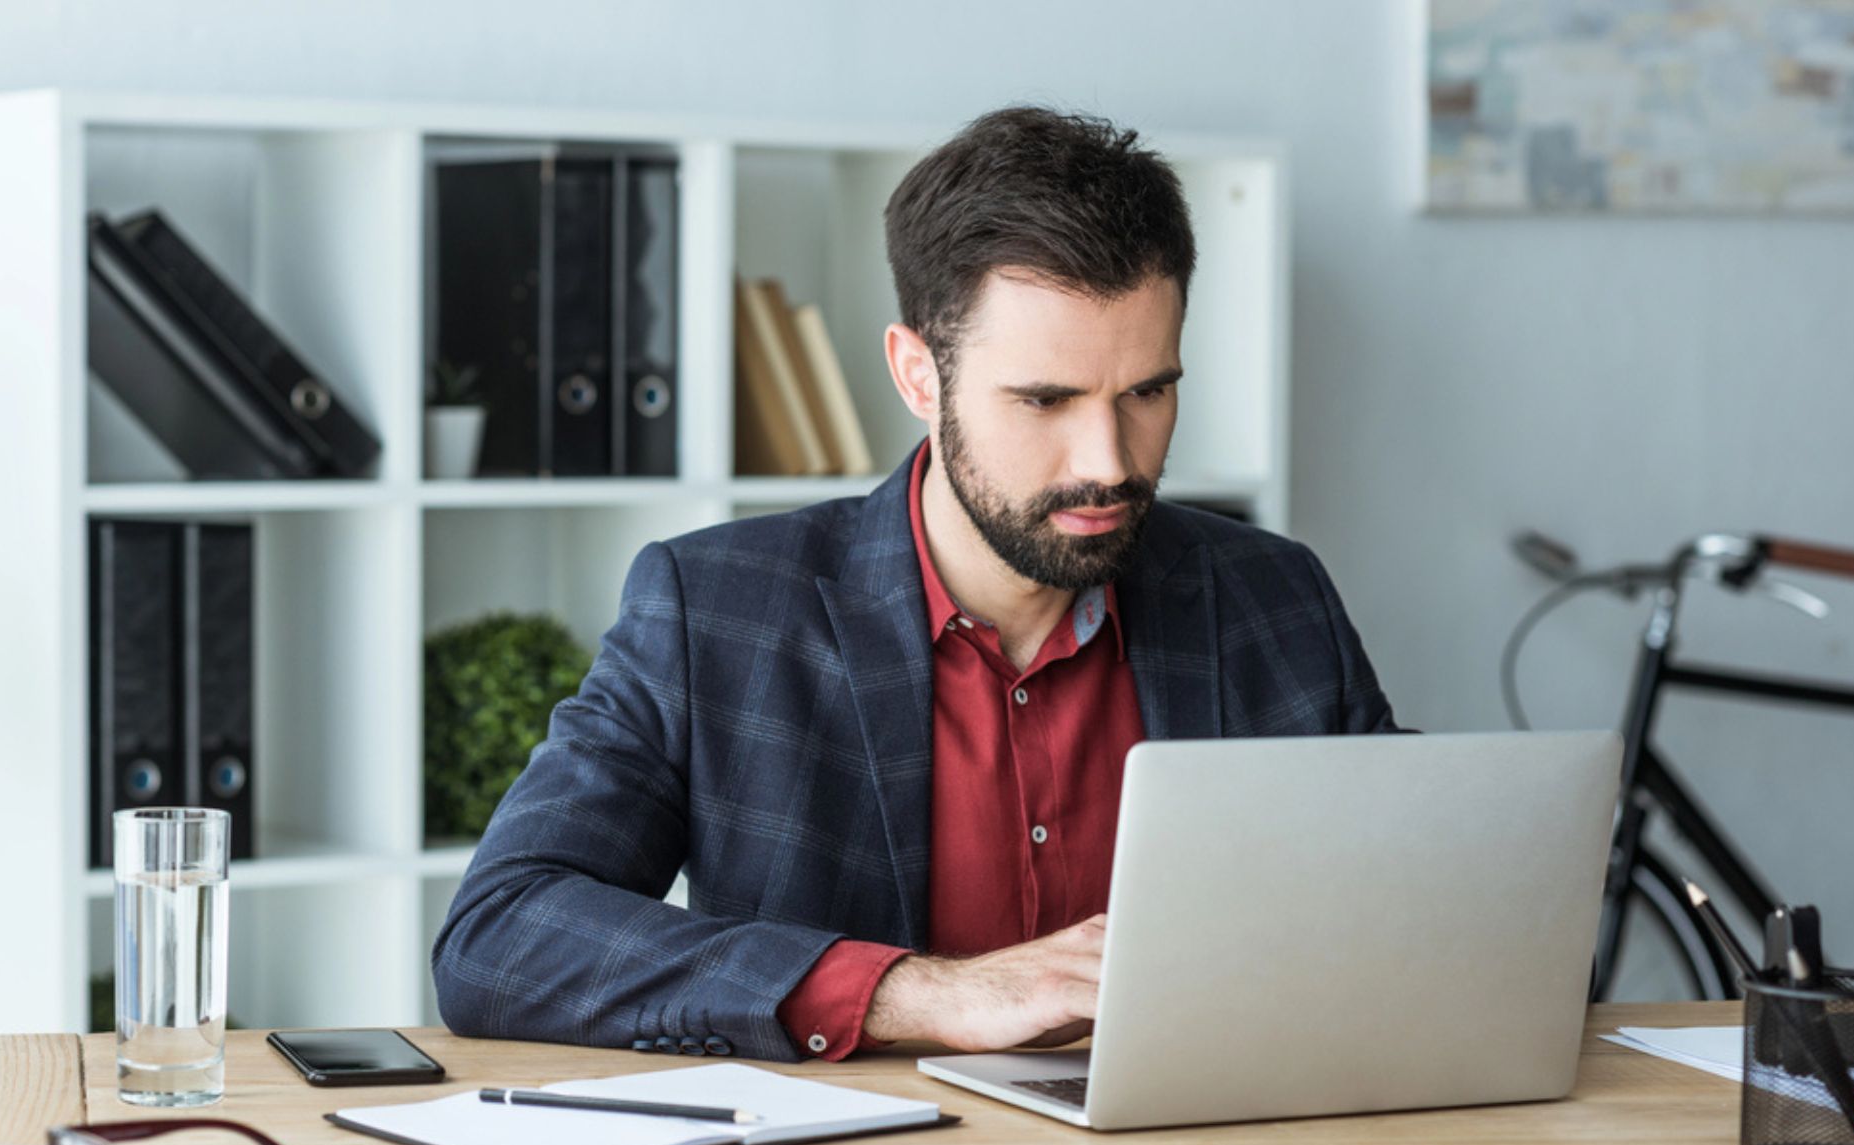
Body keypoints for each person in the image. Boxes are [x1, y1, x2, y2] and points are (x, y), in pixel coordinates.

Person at [432, 105, 1401, 1063]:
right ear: (918, 376)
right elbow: (500, 935)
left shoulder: (1274, 599)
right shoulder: (713, 611)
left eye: (1147, 391)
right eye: (1045, 399)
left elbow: (1430, 896)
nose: (1109, 461)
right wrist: (921, 990)